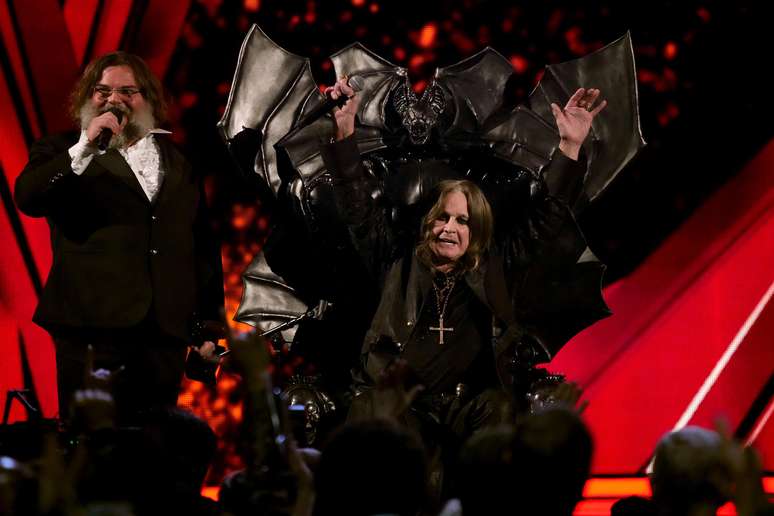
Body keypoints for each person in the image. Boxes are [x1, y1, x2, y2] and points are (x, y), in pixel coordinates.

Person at [320, 76, 606, 444]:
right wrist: (344, 131)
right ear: (427, 223)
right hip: (404, 405)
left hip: (468, 407)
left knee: (499, 410)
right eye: (442, 217)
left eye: (462, 220)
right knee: (371, 413)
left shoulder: (496, 266)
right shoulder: (396, 259)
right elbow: (356, 205)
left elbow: (546, 219)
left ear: (476, 229)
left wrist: (569, 145)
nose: (449, 228)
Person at [14, 51, 224, 424]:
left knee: (150, 453)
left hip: (162, 335)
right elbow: (28, 198)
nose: (114, 99)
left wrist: (207, 327)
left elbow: (201, 247)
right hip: (91, 331)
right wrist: (84, 149)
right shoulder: (60, 151)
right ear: (85, 97)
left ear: (149, 101)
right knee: (92, 455)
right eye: (102, 90)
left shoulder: (178, 162)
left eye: (129, 91)